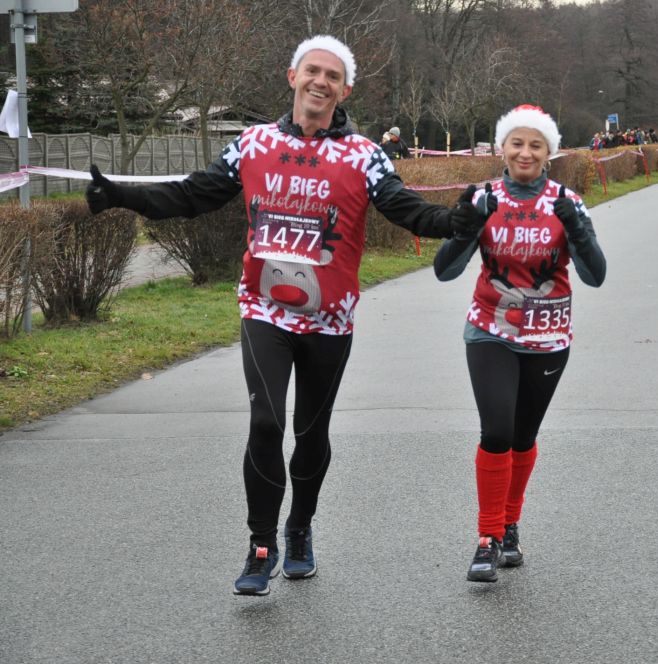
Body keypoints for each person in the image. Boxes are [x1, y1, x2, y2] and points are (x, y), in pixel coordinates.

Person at [85, 35, 480, 597]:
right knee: (267, 423)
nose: (321, 81)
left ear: (345, 90)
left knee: (310, 432)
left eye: (333, 76)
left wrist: (453, 221)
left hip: (329, 319)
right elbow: (194, 195)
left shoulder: (364, 155)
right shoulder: (253, 143)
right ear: (292, 76)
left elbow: (405, 208)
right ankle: (261, 545)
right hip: (264, 309)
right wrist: (121, 195)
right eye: (312, 70)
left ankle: (299, 529)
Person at [432, 105, 606, 583]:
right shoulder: (484, 197)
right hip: (490, 331)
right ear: (502, 148)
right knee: (497, 432)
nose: (525, 153)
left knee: (523, 437)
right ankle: (487, 538)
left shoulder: (567, 201)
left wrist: (578, 231)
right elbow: (445, 270)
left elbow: (595, 275)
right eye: (516, 143)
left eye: (535, 145)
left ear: (549, 152)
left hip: (547, 336)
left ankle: (510, 525)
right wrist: (469, 225)